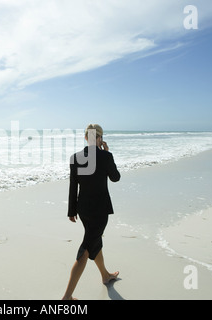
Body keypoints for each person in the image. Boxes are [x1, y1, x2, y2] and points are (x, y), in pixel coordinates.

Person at [62, 124, 121, 300]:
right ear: (99, 138)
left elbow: (73, 186)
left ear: (86, 137)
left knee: (94, 240)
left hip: (83, 210)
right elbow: (115, 178)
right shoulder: (105, 156)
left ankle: (105, 275)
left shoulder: (75, 157)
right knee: (86, 249)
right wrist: (108, 153)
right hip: (100, 210)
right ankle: (67, 297)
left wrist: (71, 210)